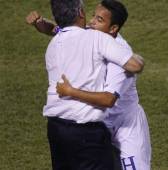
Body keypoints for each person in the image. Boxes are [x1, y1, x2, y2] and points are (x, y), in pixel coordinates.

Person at [26, 0, 151, 169]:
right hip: (101, 122)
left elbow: (108, 99)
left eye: (99, 20)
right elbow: (60, 30)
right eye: (93, 16)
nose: (91, 22)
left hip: (125, 126)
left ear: (113, 29)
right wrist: (41, 24)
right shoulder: (93, 36)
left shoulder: (120, 58)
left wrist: (71, 91)